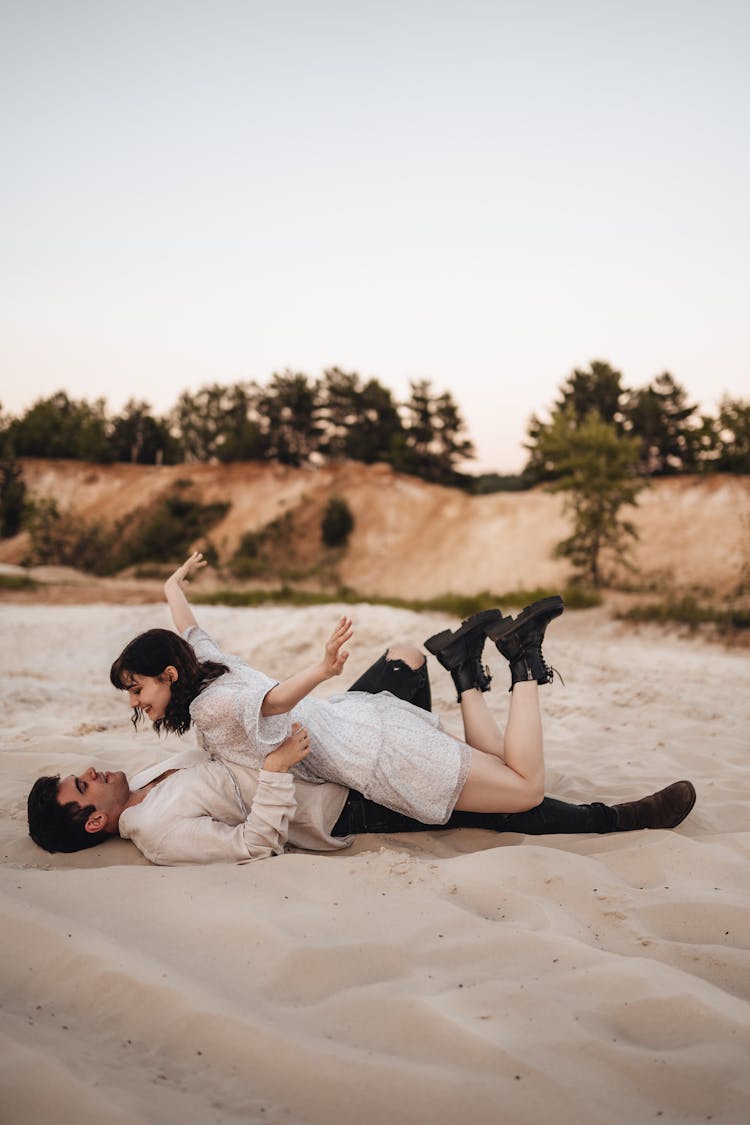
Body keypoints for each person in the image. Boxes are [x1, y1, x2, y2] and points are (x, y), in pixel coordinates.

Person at [27, 554, 696, 863]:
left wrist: (172, 586)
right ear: (93, 819)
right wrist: (281, 761)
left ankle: (461, 666)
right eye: (84, 783)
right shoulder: (158, 827)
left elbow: (198, 645)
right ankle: (601, 813)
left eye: (138, 689)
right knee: (513, 797)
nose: (93, 766)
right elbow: (251, 840)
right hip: (344, 791)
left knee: (406, 656)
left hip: (334, 734)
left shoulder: (158, 761)